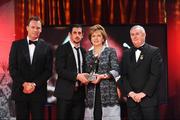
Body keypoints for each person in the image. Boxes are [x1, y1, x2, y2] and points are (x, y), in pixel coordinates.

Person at [9, 16, 53, 120]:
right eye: (33, 27)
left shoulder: (47, 47)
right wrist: (24, 84)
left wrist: (34, 84)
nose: (35, 30)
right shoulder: (16, 45)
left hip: (38, 93)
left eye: (38, 28)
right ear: (27, 28)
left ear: (41, 29)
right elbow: (12, 68)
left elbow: (48, 71)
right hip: (20, 92)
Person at [121, 25, 162, 120]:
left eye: (137, 34)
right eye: (132, 34)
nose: (134, 37)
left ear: (144, 35)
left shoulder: (154, 51)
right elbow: (124, 75)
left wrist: (143, 93)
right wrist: (131, 93)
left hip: (148, 101)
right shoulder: (126, 53)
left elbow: (155, 75)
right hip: (132, 101)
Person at [84, 24, 121, 120]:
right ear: (90, 39)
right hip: (92, 93)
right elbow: (86, 73)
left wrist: (102, 76)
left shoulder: (110, 51)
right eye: (93, 36)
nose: (96, 38)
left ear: (103, 38)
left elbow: (116, 70)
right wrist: (92, 79)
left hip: (108, 92)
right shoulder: (87, 55)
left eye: (99, 36)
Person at [54, 24, 89, 120]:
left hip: (80, 95)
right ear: (70, 34)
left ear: (82, 35)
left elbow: (85, 71)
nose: (77, 35)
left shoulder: (83, 51)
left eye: (79, 33)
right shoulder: (62, 49)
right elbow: (60, 70)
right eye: (74, 33)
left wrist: (88, 77)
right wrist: (77, 76)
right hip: (65, 94)